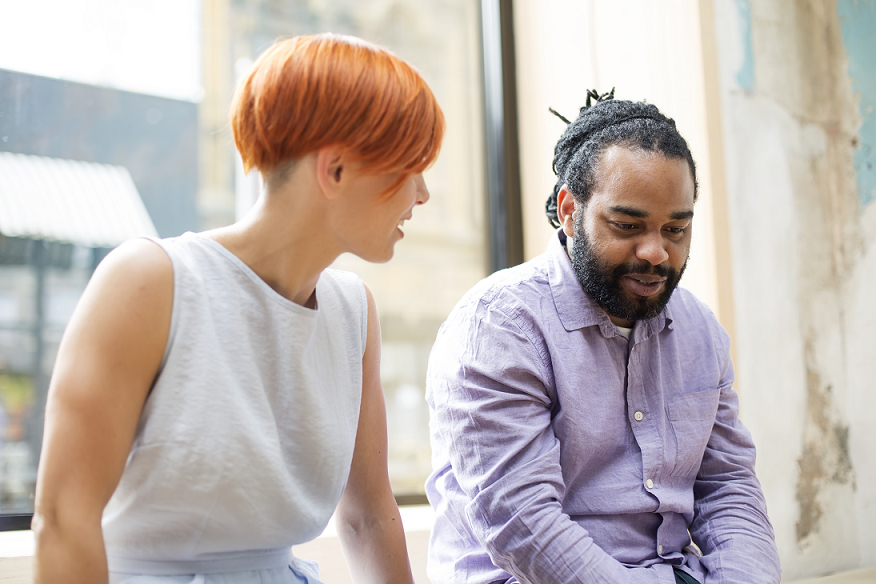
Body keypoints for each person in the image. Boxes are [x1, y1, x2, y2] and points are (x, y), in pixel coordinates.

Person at [32, 33, 444, 584]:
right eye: (410, 166)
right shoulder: (149, 282)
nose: (422, 193)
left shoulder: (352, 311)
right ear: (336, 169)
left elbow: (369, 516)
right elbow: (63, 520)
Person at [425, 90, 780, 584]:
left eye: (676, 230)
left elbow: (728, 487)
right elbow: (524, 527)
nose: (656, 252)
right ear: (570, 210)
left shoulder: (700, 331)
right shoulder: (498, 327)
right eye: (628, 225)